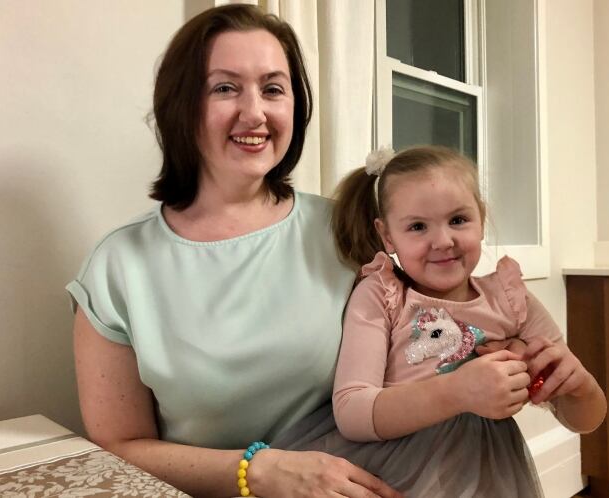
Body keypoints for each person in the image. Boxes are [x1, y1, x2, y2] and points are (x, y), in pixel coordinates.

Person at [68, 5, 404, 498]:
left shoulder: (345, 230)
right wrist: (259, 471)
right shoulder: (117, 267)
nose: (255, 113)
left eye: (273, 88)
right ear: (182, 106)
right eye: (225, 88)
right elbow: (120, 444)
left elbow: (425, 352)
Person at [270, 146, 607, 497]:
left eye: (458, 220)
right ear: (387, 236)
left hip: (487, 476)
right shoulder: (383, 296)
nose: (443, 241)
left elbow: (582, 420)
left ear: (481, 217)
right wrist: (458, 391)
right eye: (417, 226)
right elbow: (352, 412)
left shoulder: (511, 302)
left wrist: (580, 387)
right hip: (390, 475)